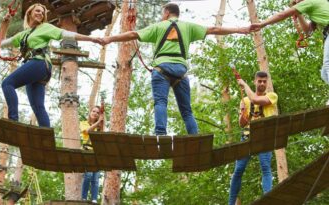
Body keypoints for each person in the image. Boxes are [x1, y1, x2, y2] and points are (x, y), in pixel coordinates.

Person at [99, 3, 249, 135]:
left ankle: (160, 134)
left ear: (166, 13)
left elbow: (132, 34)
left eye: (162, 13)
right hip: (181, 72)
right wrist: (240, 29)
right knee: (186, 111)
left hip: (161, 69)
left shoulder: (158, 26)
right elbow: (214, 29)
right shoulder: (188, 26)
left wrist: (109, 39)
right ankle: (195, 137)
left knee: (160, 102)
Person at [0, 3, 101, 127]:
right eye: (37, 11)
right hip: (38, 69)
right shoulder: (22, 35)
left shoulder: (45, 27)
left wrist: (92, 39)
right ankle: (46, 140)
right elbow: (1, 43)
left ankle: (13, 121)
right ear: (29, 13)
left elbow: (66, 34)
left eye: (42, 13)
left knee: (7, 83)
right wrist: (5, 25)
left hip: (39, 64)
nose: (40, 14)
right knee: (38, 106)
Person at [228, 71, 278, 205]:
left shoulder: (272, 96)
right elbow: (242, 123)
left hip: (264, 137)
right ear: (255, 81)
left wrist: (244, 85)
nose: (262, 83)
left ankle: (268, 199)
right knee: (238, 170)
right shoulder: (244, 100)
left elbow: (256, 100)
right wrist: (243, 113)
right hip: (247, 136)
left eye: (264, 81)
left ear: (267, 83)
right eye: (259, 81)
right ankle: (231, 203)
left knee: (266, 168)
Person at [250, 0, 329, 84]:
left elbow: (282, 15)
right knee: (324, 73)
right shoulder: (317, 6)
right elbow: (307, 31)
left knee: (327, 65)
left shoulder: (310, 1)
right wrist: (299, 14)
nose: (296, 1)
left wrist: (262, 24)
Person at [80, 106, 104, 203]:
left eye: (97, 112)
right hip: (87, 151)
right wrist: (98, 122)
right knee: (88, 175)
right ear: (90, 112)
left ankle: (94, 199)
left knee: (95, 178)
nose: (95, 113)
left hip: (97, 153)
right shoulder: (84, 123)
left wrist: (102, 123)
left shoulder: (100, 128)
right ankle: (84, 198)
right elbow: (87, 131)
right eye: (93, 111)